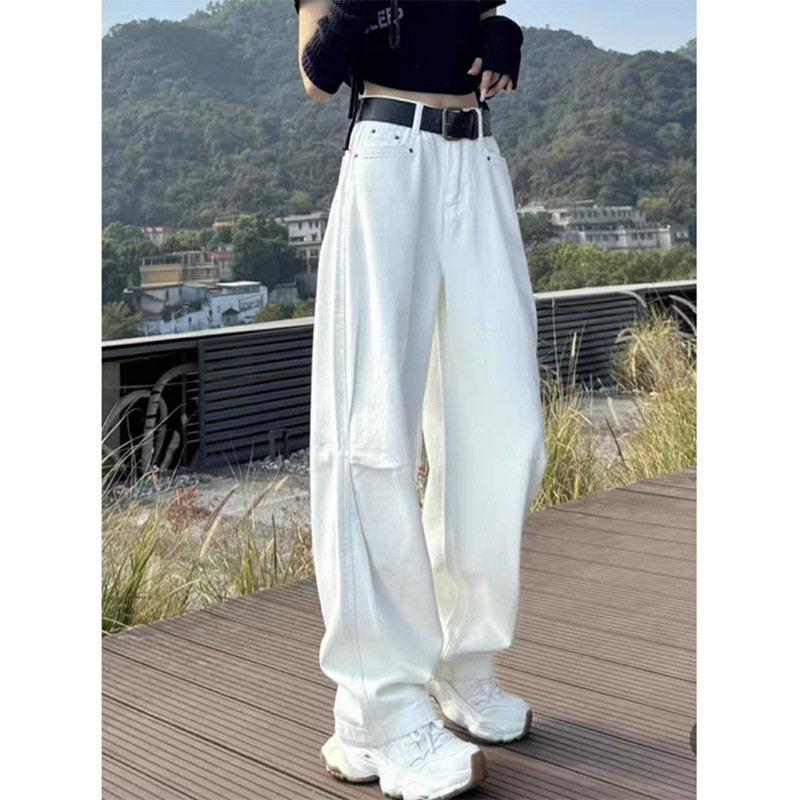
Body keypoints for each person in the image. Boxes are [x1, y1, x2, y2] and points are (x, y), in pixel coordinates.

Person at [294, 2, 547, 798]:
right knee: (369, 431)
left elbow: (471, 19)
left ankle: (461, 659)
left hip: (476, 160)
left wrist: (500, 34)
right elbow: (315, 75)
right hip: (386, 160)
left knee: (503, 427)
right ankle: (377, 706)